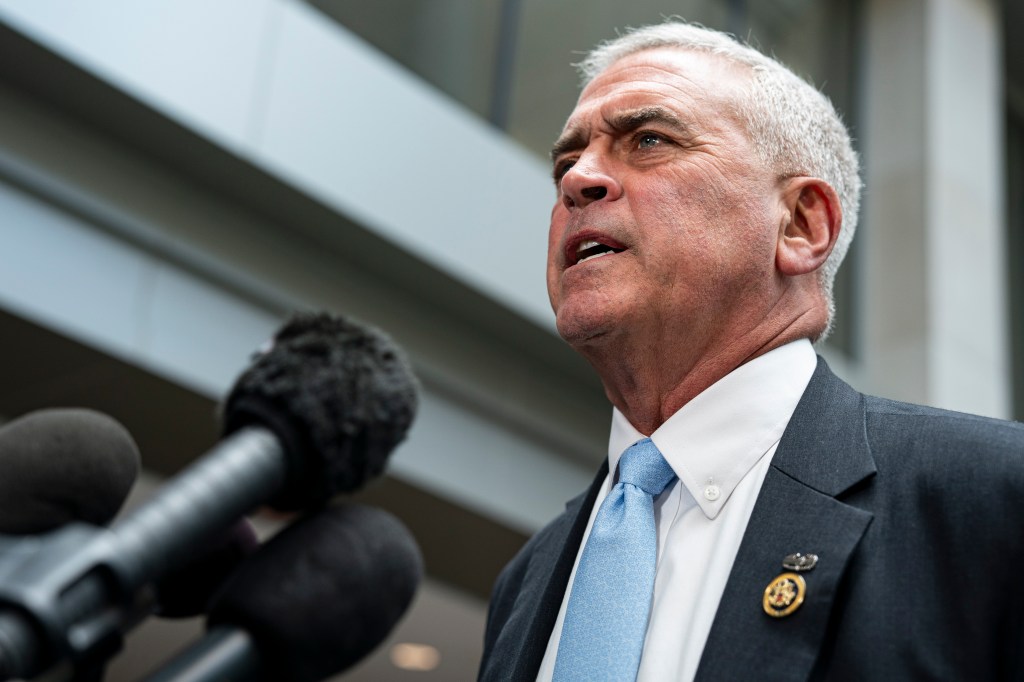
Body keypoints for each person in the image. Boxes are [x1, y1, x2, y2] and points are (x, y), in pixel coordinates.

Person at [478, 20, 1024, 682]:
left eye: (648, 141)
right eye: (566, 162)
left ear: (799, 225)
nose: (578, 180)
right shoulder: (525, 581)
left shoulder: (990, 499)